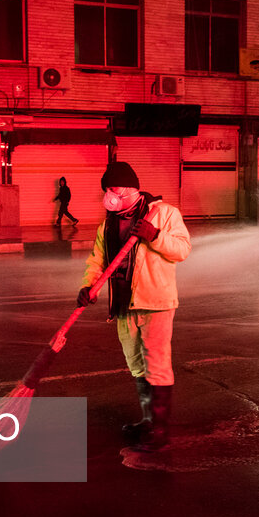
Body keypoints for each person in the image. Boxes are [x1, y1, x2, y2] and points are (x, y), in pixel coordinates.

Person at [77, 161, 191, 451]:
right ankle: (148, 420)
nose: (110, 195)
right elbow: (97, 260)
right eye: (107, 190)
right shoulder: (109, 224)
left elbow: (182, 250)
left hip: (155, 302)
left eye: (113, 189)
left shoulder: (164, 214)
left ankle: (160, 431)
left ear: (130, 189)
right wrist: (88, 286)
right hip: (124, 304)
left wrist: (154, 236)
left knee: (157, 365)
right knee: (136, 365)